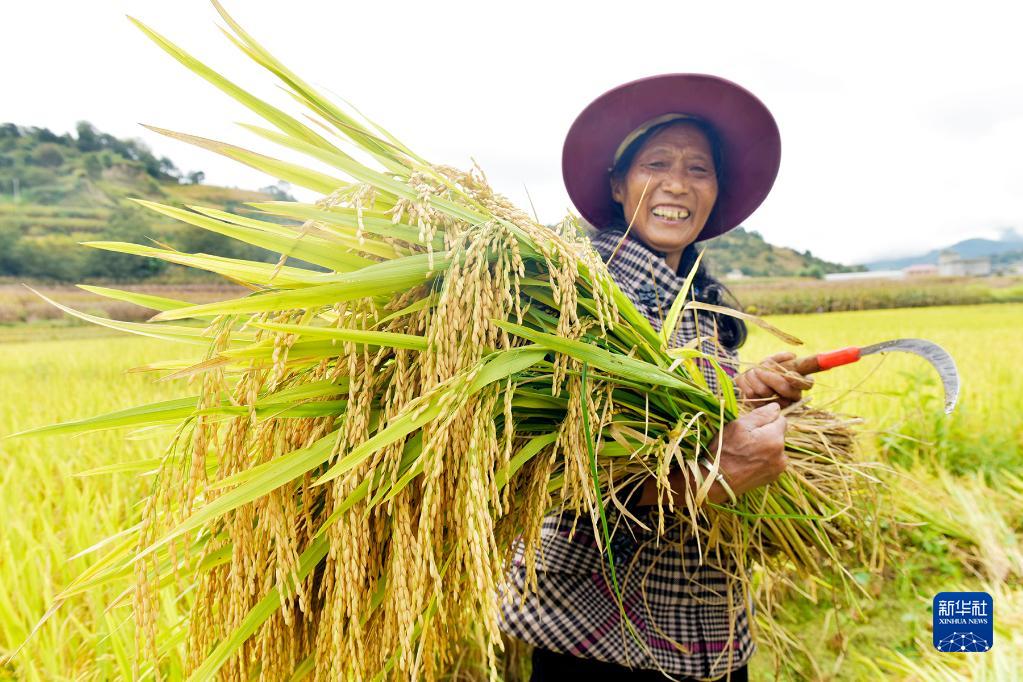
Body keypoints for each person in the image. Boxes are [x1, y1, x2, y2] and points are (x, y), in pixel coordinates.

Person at [500, 74, 813, 681]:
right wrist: (710, 478)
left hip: (709, 625)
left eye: (699, 168)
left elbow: (672, 418)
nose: (677, 184)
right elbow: (548, 469)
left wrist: (742, 390)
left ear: (715, 191)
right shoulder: (575, 296)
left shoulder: (701, 305)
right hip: (598, 632)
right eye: (656, 164)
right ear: (619, 185)